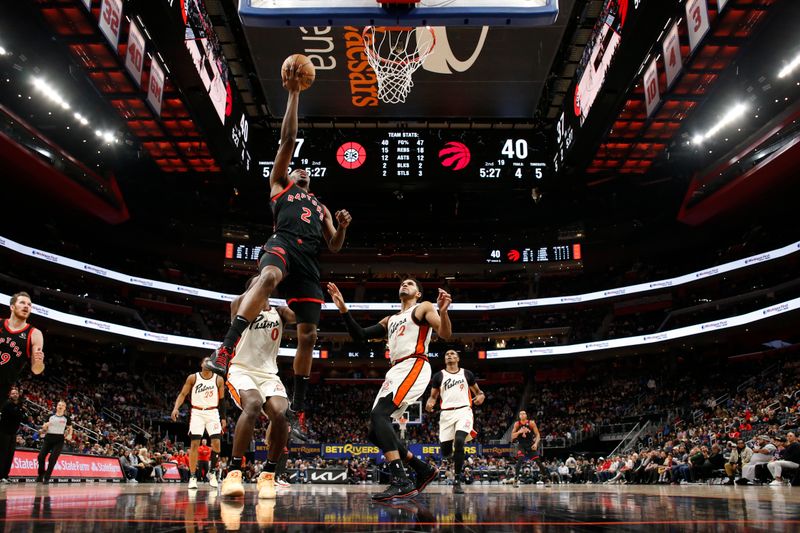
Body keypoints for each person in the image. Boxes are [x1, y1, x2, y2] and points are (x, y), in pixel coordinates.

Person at [207, 64, 352, 429]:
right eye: (297, 169)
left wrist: (343, 227)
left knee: (308, 335)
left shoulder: (319, 206)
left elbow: (334, 246)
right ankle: (226, 348)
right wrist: (294, 93)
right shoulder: (279, 185)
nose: (302, 172)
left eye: (306, 172)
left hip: (308, 262)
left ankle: (298, 410)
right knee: (268, 274)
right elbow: (287, 141)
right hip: (283, 244)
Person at [327, 279, 449, 501]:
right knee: (374, 430)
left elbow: (445, 333)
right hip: (395, 371)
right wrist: (343, 309)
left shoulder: (423, 307)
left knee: (379, 415)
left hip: (414, 363)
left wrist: (444, 311)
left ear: (418, 293)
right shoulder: (390, 319)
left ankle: (401, 479)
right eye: (402, 283)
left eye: (410, 283)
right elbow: (360, 336)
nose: (405, 284)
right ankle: (422, 468)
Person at [220, 289, 295, 500]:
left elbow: (298, 316)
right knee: (253, 404)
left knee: (281, 413)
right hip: (241, 370)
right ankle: (234, 472)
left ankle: (268, 474)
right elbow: (236, 300)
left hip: (269, 374)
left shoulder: (279, 312)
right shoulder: (241, 307)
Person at [425, 349, 484, 494]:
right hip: (446, 414)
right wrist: (429, 402)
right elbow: (433, 396)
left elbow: (479, 392)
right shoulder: (439, 376)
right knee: (445, 451)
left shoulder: (467, 373)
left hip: (464, 411)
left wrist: (481, 396)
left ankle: (457, 480)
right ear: (445, 360)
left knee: (459, 441)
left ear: (458, 358)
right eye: (446, 354)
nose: (449, 356)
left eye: (452, 354)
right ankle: (454, 457)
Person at [171, 357, 227, 489]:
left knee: (217, 443)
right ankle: (192, 477)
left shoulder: (218, 379)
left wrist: (223, 418)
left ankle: (212, 473)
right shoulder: (193, 378)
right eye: (206, 361)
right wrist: (175, 408)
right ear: (201, 364)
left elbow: (223, 400)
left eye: (210, 361)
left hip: (213, 412)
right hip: (197, 413)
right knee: (194, 444)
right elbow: (183, 394)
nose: (208, 363)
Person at [1, 293, 45, 406]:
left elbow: (36, 369)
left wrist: (40, 362)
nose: (26, 306)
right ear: (12, 307)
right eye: (22, 303)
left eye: (29, 304)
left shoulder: (35, 334)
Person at [37, 399, 72, 483]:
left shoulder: (66, 418)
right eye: (59, 405)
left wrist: (70, 434)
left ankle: (47, 477)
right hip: (48, 437)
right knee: (40, 456)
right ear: (56, 407)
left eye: (62, 406)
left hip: (59, 439)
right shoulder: (50, 416)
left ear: (65, 408)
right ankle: (41, 474)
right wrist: (45, 427)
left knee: (52, 459)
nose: (60, 406)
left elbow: (70, 428)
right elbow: (44, 429)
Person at [512, 410, 548, 487]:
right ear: (519, 416)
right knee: (520, 460)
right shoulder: (517, 424)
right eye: (520, 414)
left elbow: (538, 435)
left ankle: (546, 479)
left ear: (526, 415)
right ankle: (516, 479)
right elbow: (512, 436)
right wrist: (519, 432)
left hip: (530, 445)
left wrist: (535, 444)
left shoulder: (531, 423)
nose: (522, 415)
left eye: (523, 413)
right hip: (521, 445)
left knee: (538, 461)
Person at [0, 386, 26, 482]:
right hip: (4, 433)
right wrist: (21, 410)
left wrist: (21, 409)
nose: (15, 394)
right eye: (13, 393)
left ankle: (6, 475)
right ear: (10, 395)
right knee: (3, 454)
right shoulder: (7, 404)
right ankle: (0, 476)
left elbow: (22, 418)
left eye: (16, 393)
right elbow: (14, 414)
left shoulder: (19, 405)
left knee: (10, 455)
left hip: (13, 433)